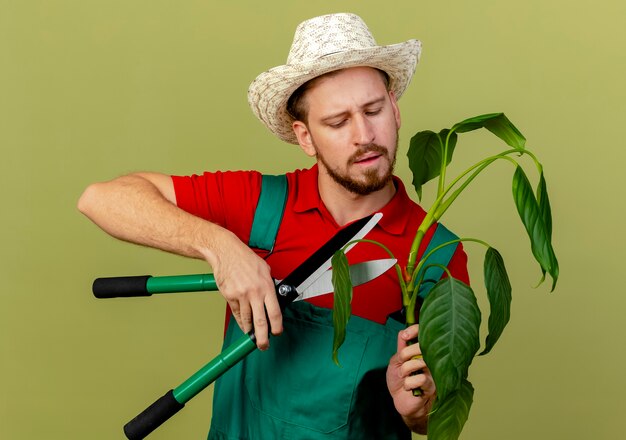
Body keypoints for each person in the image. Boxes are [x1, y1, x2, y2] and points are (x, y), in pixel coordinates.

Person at [78, 13, 469, 439]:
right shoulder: (260, 205)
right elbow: (102, 199)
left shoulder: (436, 256)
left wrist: (416, 410)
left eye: (373, 110)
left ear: (394, 109)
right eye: (338, 122)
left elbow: (434, 417)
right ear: (304, 138)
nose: (364, 135)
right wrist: (221, 247)